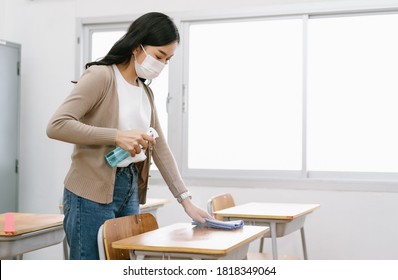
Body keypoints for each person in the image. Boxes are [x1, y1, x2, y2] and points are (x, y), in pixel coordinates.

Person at [47, 12, 212, 260]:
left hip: (128, 188)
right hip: (90, 192)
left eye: (168, 60)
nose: (162, 65)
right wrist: (116, 136)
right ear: (137, 47)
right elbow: (57, 125)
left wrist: (186, 200)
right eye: (159, 56)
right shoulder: (101, 76)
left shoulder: (145, 92)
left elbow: (161, 148)